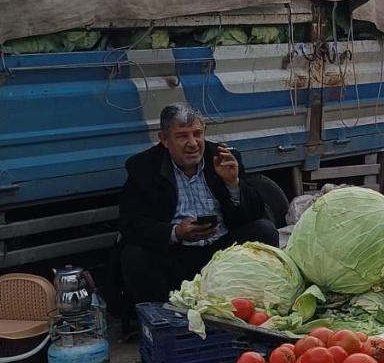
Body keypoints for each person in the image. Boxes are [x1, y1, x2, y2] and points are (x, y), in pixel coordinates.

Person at [119, 103, 279, 305]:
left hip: (222, 255)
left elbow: (255, 213)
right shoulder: (143, 167)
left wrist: (234, 184)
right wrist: (176, 232)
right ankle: (163, 320)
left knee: (264, 230)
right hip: (176, 257)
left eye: (197, 134)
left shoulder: (222, 157)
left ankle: (254, 304)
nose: (193, 143)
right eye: (182, 136)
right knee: (134, 256)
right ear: (164, 140)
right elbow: (131, 224)